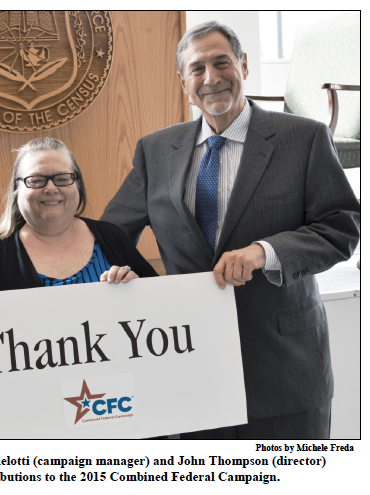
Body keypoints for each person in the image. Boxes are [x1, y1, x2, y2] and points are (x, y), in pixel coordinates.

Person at [101, 21, 360, 439]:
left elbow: (340, 228)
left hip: (286, 370)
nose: (211, 78)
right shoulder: (155, 151)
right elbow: (109, 237)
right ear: (183, 81)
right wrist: (130, 280)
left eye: (222, 63)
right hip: (191, 370)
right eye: (197, 68)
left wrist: (264, 252)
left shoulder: (305, 137)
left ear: (243, 65)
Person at [0, 137, 157, 295]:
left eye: (62, 178)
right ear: (17, 190)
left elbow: (160, 304)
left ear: (78, 185)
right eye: (36, 180)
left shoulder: (112, 237)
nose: (51, 188)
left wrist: (138, 289)